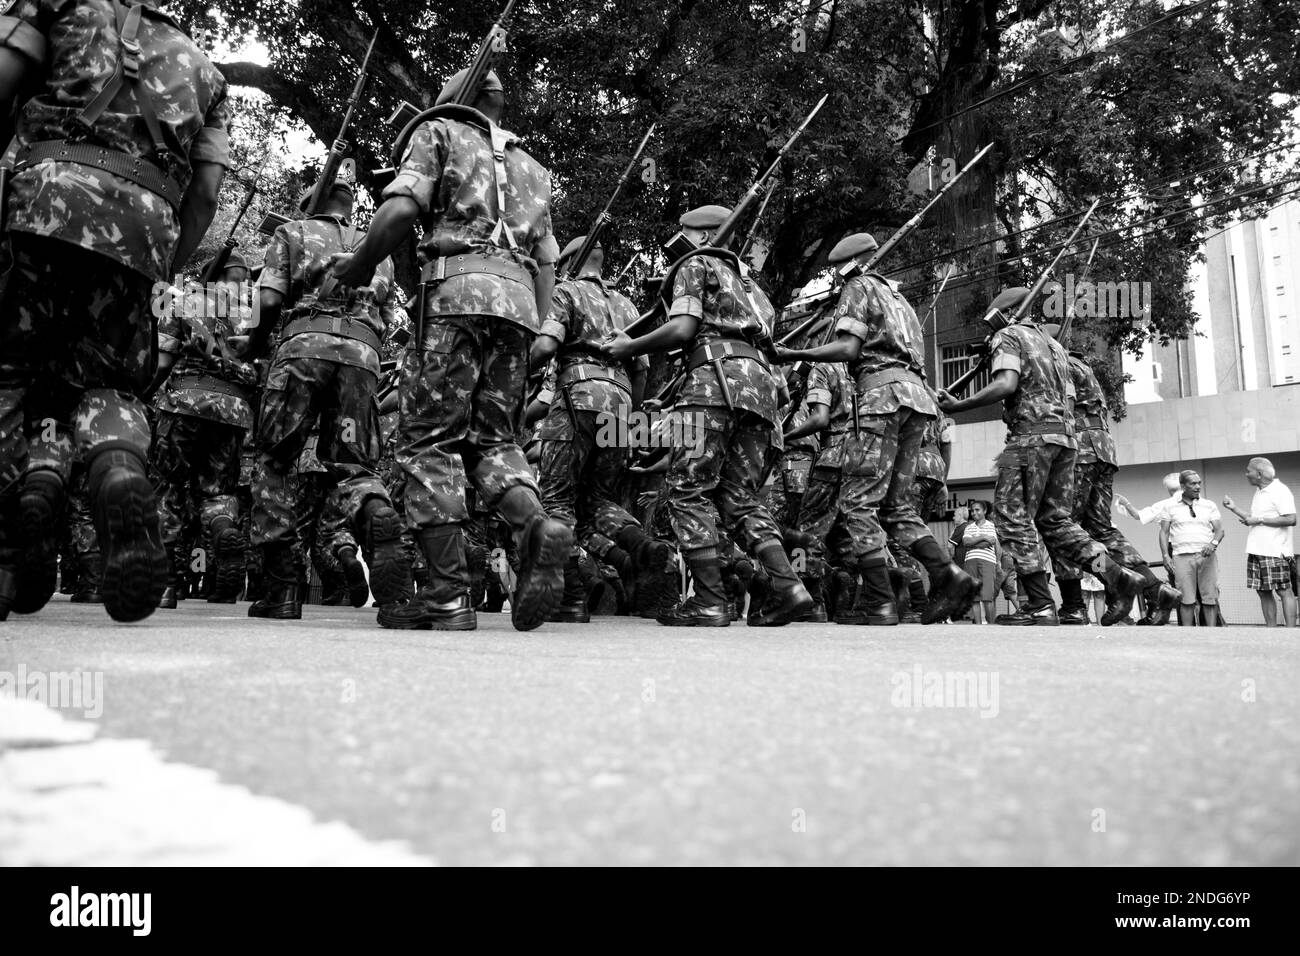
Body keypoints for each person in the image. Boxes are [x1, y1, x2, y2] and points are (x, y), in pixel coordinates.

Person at [0, 0, 228, 622]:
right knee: (109, 385)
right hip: (143, 232)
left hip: (43, 207)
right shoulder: (206, 71)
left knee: (12, 375)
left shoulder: (60, 5)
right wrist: (161, 264)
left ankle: (7, 541)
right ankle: (118, 472)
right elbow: (205, 196)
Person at [330, 67, 571, 632]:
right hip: (515, 307)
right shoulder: (534, 170)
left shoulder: (438, 132)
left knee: (427, 442)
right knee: (496, 441)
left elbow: (403, 209)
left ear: (452, 103)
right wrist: (537, 326)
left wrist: (360, 263)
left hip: (457, 294)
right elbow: (547, 260)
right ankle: (536, 527)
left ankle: (448, 597)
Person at [603, 205, 811, 627]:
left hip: (713, 385)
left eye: (682, 232)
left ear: (702, 235)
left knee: (686, 490)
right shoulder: (757, 291)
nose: (676, 242)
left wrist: (630, 346)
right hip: (761, 396)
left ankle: (711, 601)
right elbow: (783, 380)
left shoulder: (694, 264)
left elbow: (683, 329)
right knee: (739, 496)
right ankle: (789, 586)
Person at [775, 232, 977, 625]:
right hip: (918, 401)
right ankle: (947, 574)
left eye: (835, 270)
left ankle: (880, 602)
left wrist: (797, 352)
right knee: (896, 505)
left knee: (857, 503)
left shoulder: (857, 287)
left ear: (845, 265)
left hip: (880, 399)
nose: (835, 278)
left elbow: (849, 349)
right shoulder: (901, 301)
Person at [243, 173, 411, 620]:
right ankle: (375, 512)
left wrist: (254, 344)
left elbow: (270, 298)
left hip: (303, 347)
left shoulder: (291, 232)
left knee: (276, 458)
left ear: (310, 200)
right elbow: (389, 316)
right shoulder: (378, 249)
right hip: (362, 356)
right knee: (353, 463)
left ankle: (281, 589)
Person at [937, 287, 1145, 625]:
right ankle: (1119, 577)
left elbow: (1006, 384)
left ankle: (1039, 604)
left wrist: (958, 406)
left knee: (1010, 514)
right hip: (1065, 440)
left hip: (1028, 437)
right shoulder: (1056, 347)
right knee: (1056, 521)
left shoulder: (1009, 335)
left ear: (1001, 314)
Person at [530, 236, 674, 623]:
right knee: (598, 500)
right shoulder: (626, 305)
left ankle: (571, 596)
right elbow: (641, 368)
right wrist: (631, 416)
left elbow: (545, 346)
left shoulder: (566, 290)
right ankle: (643, 548)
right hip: (622, 402)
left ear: (571, 262)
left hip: (577, 396)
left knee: (557, 498)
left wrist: (518, 369)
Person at [150, 252, 257, 607]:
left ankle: (165, 584)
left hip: (183, 402)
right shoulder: (254, 313)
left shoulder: (183, 301)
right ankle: (225, 530)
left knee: (167, 487)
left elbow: (163, 360)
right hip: (232, 411)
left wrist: (146, 396)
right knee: (218, 491)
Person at [1223, 456, 1296, 627]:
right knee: (1263, 591)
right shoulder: (1260, 492)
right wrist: (1233, 508)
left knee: (1284, 590)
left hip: (1275, 551)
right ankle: (1270, 632)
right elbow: (1254, 519)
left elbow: (1291, 519)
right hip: (1257, 550)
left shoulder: (1280, 490)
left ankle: (1291, 632)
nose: (1246, 474)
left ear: (1259, 473)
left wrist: (1259, 520)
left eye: (1248, 471)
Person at [1159, 470, 1224, 626]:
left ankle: (1212, 633)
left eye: (1199, 483)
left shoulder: (1209, 505)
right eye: (1193, 483)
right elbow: (1164, 532)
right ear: (1183, 486)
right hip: (1181, 557)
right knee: (1186, 599)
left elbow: (1219, 531)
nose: (1197, 486)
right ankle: (1188, 635)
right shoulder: (1169, 506)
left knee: (1210, 598)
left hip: (1206, 556)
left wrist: (1213, 544)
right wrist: (1165, 556)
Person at [961, 500, 998, 624]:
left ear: (985, 511)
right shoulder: (968, 527)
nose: (974, 513)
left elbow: (991, 542)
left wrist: (974, 541)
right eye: (972, 510)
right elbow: (966, 543)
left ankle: (991, 626)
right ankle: (978, 626)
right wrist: (983, 537)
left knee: (987, 597)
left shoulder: (991, 525)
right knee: (974, 598)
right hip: (970, 562)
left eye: (977, 510)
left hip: (988, 562)